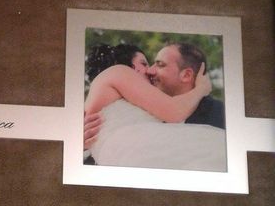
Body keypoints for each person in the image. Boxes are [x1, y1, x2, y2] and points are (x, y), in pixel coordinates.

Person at [84, 42, 227, 171]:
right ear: (126, 64)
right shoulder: (119, 71)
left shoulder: (218, 112)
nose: (149, 71)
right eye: (144, 63)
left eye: (158, 65)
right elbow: (173, 111)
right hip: (130, 151)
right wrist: (201, 88)